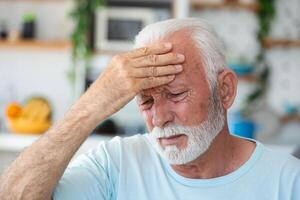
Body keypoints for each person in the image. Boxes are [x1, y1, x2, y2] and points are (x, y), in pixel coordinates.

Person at [0, 18, 299, 200]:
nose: (159, 118)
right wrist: (92, 104)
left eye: (176, 94)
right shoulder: (114, 165)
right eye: (145, 101)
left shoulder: (289, 182)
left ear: (225, 90)